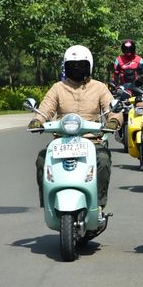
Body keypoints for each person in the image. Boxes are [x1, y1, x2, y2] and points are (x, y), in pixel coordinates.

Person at [27, 45, 123, 211]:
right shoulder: (58, 88)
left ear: (89, 66)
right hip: (62, 141)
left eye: (81, 65)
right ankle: (48, 203)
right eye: (73, 65)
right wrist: (37, 120)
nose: (77, 68)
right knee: (42, 159)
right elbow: (45, 109)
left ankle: (99, 205)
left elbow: (112, 108)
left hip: (92, 141)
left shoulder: (99, 87)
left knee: (104, 160)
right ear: (66, 66)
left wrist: (113, 121)